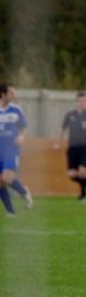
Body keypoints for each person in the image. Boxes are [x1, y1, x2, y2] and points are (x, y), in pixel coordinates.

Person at [55, 91, 86, 200]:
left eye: (85, 101)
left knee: (82, 171)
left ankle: (82, 194)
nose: (83, 103)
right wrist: (58, 142)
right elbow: (62, 129)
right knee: (72, 174)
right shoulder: (70, 115)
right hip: (72, 147)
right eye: (80, 101)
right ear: (76, 102)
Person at [0, 84, 34, 215]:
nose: (13, 96)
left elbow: (24, 127)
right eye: (10, 93)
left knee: (7, 178)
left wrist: (22, 136)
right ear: (2, 94)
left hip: (10, 148)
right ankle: (10, 212)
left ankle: (24, 192)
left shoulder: (16, 110)